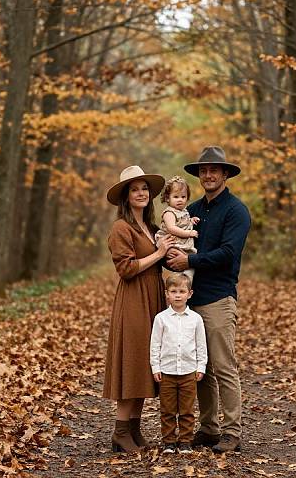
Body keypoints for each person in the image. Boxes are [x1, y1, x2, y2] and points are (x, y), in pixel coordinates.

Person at [167, 145, 251, 454]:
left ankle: (232, 431)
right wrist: (171, 257)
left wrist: (190, 261)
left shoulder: (237, 211)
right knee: (200, 367)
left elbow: (228, 254)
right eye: (203, 170)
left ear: (226, 173)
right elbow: (178, 246)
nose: (208, 174)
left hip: (218, 297)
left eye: (214, 169)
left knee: (222, 365)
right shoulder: (194, 211)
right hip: (190, 300)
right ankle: (209, 428)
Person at [103, 165, 176, 453]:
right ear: (126, 196)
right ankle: (120, 431)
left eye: (144, 188)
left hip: (153, 296)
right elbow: (126, 268)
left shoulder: (151, 227)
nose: (141, 193)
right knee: (133, 359)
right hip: (134, 298)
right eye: (135, 189)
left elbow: (166, 257)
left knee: (147, 361)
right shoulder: (121, 227)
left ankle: (133, 429)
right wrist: (158, 254)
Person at [150, 273, 207, 454]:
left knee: (187, 410)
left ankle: (185, 441)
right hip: (166, 372)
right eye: (173, 291)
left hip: (189, 372)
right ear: (167, 294)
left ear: (189, 294)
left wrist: (201, 366)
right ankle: (168, 442)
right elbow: (155, 344)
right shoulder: (161, 318)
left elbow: (201, 345)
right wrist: (155, 367)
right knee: (167, 410)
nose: (177, 295)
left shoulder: (196, 319)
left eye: (181, 291)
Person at [155, 176, 200, 282]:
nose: (180, 200)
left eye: (183, 197)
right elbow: (172, 228)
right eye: (176, 197)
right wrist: (188, 233)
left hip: (184, 247)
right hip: (175, 245)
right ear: (167, 198)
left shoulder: (184, 211)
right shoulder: (169, 213)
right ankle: (176, 288)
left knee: (190, 271)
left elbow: (182, 223)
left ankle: (185, 287)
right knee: (178, 271)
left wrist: (191, 221)